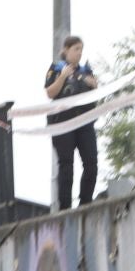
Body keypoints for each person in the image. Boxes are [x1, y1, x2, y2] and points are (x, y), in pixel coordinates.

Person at [44, 36, 99, 211]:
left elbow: (95, 89)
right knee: (66, 166)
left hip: (85, 122)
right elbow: (50, 93)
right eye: (76, 49)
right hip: (63, 123)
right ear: (66, 50)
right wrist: (62, 77)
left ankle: (85, 203)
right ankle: (65, 207)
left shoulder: (86, 70)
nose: (79, 53)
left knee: (91, 163)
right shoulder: (56, 69)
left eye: (81, 49)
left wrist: (93, 84)